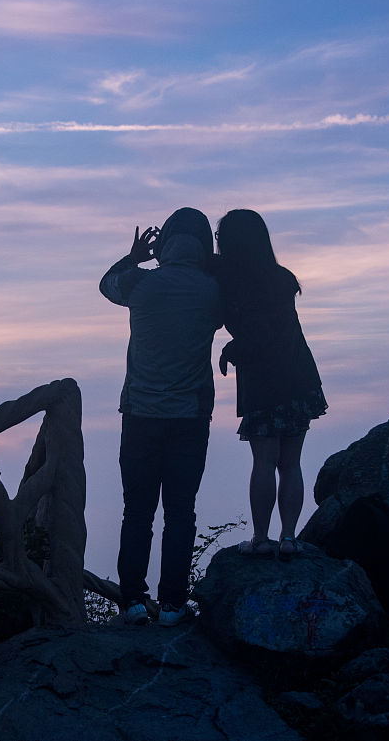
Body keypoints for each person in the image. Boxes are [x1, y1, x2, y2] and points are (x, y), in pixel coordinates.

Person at [99, 207, 222, 627]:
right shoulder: (213, 290)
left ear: (164, 242)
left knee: (137, 511)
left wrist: (135, 256)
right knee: (181, 512)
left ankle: (133, 603)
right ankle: (172, 606)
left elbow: (105, 284)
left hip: (140, 415)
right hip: (190, 417)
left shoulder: (141, 284)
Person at [215, 209, 326, 561]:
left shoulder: (229, 282)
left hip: (262, 381)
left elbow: (260, 333)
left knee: (263, 461)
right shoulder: (280, 279)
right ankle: (289, 537)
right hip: (297, 376)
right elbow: (276, 329)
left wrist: (234, 348)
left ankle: (261, 538)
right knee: (291, 462)